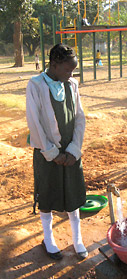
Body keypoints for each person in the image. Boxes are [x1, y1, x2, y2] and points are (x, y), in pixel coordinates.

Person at [26, 44, 88, 260]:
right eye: (67, 70)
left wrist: (73, 150)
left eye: (73, 70)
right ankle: (49, 239)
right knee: (48, 195)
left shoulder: (72, 84)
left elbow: (79, 118)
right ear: (53, 65)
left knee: (72, 194)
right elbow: (35, 122)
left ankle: (77, 239)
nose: (71, 74)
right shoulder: (36, 85)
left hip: (71, 155)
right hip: (47, 154)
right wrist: (52, 152)